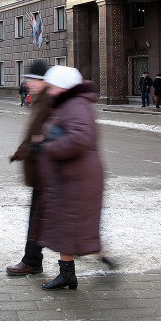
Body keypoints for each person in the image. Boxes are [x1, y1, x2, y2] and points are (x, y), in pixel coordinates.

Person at [32, 65, 115, 290]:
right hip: (70, 177)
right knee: (65, 226)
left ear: (63, 86)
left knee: (71, 226)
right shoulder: (68, 104)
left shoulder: (76, 105)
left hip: (78, 178)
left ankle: (88, 265)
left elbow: (81, 138)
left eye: (52, 86)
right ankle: (67, 274)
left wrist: (49, 148)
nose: (49, 91)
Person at [7, 60, 51, 276]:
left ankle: (32, 261)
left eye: (32, 80)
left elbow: (44, 136)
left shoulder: (48, 102)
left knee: (38, 220)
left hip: (46, 172)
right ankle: (33, 260)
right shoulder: (40, 101)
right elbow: (33, 134)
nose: (27, 83)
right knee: (39, 219)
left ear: (42, 81)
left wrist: (30, 147)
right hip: (39, 171)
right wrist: (22, 150)